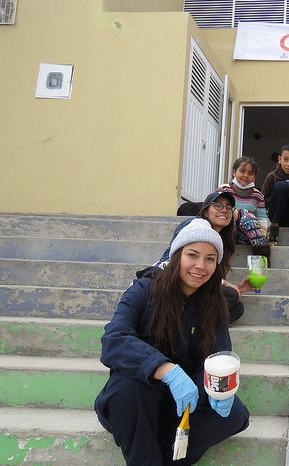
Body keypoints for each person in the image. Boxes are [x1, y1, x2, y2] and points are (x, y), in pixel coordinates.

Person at [95, 219, 250, 465]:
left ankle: (160, 455)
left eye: (210, 258)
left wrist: (216, 389)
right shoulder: (144, 289)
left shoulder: (215, 304)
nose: (200, 266)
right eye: (193, 255)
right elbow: (114, 339)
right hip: (138, 398)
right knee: (128, 389)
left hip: (182, 403)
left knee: (234, 414)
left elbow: (218, 357)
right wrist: (165, 370)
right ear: (177, 255)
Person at [157, 191, 252, 324]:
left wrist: (237, 288)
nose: (224, 210)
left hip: (194, 286)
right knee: (230, 296)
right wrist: (226, 285)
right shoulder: (194, 224)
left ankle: (189, 324)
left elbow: (210, 280)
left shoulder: (221, 241)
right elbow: (175, 262)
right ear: (206, 211)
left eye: (229, 207)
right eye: (218, 205)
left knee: (236, 308)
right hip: (171, 279)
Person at [217, 156, 271, 265]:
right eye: (242, 171)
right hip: (226, 232)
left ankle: (261, 254)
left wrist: (261, 235)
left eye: (250, 173)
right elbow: (216, 211)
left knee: (248, 216)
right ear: (233, 172)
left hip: (246, 234)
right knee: (232, 212)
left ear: (254, 177)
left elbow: (262, 218)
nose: (246, 176)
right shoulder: (224, 190)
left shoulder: (258, 195)